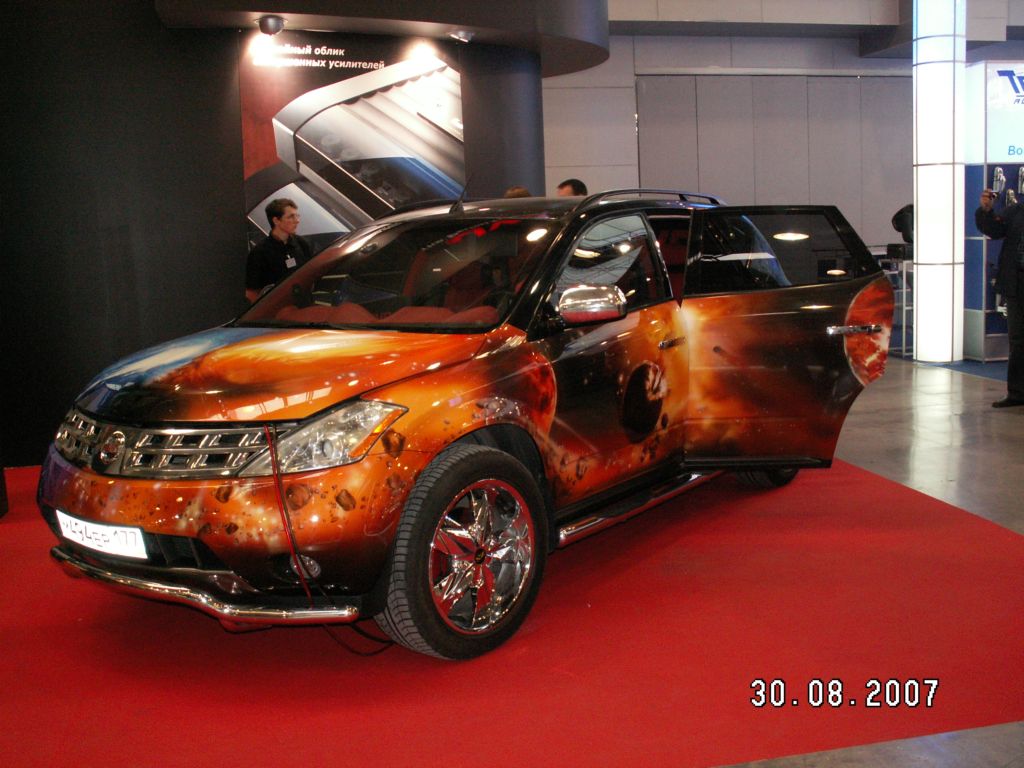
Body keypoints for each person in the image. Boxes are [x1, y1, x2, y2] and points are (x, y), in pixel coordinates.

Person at [975, 187, 1024, 407]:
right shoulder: (1016, 211)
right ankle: (1017, 393)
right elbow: (994, 230)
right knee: (1018, 340)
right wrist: (986, 211)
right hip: (1016, 283)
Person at [245, 198, 312, 302]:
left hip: (303, 304)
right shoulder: (259, 252)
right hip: (277, 307)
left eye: (297, 216)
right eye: (291, 217)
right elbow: (251, 291)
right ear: (276, 221)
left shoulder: (302, 244)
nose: (297, 220)